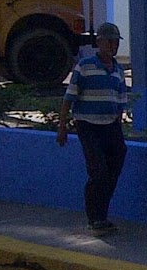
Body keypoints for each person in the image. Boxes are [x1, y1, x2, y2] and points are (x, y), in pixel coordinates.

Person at [56, 21, 130, 234]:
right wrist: (62, 127)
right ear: (99, 43)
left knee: (114, 165)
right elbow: (69, 97)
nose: (113, 46)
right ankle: (94, 217)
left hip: (110, 125)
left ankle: (102, 215)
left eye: (116, 42)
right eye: (109, 42)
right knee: (97, 171)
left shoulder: (118, 70)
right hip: (88, 125)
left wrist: (118, 127)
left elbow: (120, 102)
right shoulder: (85, 66)